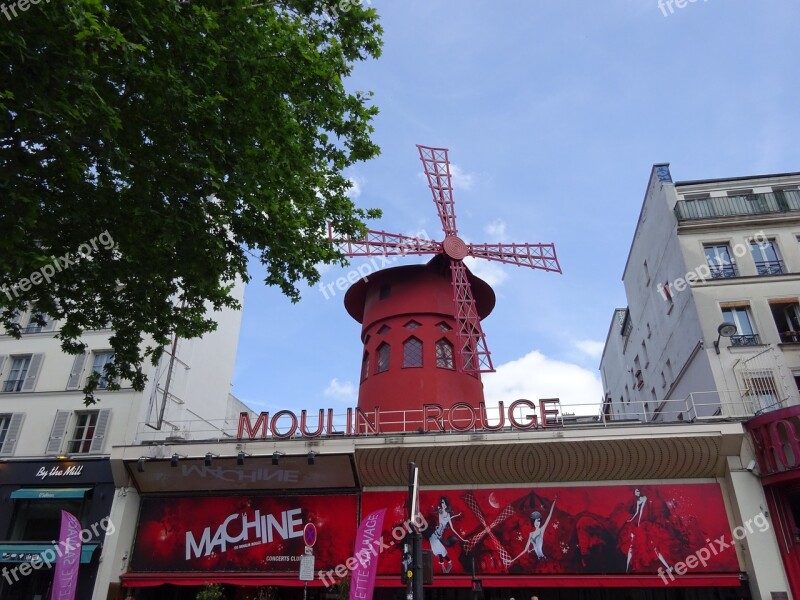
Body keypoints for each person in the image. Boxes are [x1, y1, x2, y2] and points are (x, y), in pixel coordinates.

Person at [507, 495, 558, 564]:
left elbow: (549, 515)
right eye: (535, 521)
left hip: (544, 558)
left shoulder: (541, 530)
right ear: (533, 522)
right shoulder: (531, 534)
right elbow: (525, 550)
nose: (537, 523)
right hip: (539, 560)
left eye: (539, 520)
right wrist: (512, 560)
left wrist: (554, 501)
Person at [427, 496, 465, 573]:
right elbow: (437, 511)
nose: (442, 504)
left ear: (446, 503)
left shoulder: (447, 516)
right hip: (435, 535)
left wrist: (462, 538)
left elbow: (452, 525)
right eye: (441, 502)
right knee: (440, 551)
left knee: (440, 551)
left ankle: (447, 566)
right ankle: (445, 567)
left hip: (437, 536)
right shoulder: (441, 512)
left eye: (443, 502)